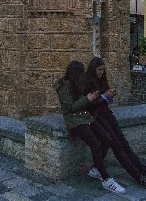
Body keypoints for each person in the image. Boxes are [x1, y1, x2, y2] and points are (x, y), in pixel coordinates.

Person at [85, 57, 146, 188]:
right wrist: (105, 97)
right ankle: (138, 177)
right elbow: (90, 105)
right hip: (97, 117)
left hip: (107, 114)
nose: (101, 72)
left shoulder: (102, 80)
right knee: (117, 146)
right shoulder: (88, 81)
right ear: (93, 69)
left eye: (102, 70)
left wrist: (109, 97)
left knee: (124, 144)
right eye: (99, 70)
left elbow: (104, 101)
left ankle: (145, 172)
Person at [55, 61, 126, 194]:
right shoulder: (63, 86)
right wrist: (87, 99)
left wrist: (99, 97)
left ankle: (95, 169)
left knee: (106, 139)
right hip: (74, 120)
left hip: (86, 117)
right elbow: (69, 108)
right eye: (80, 73)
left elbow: (86, 103)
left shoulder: (78, 83)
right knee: (95, 144)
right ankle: (106, 180)